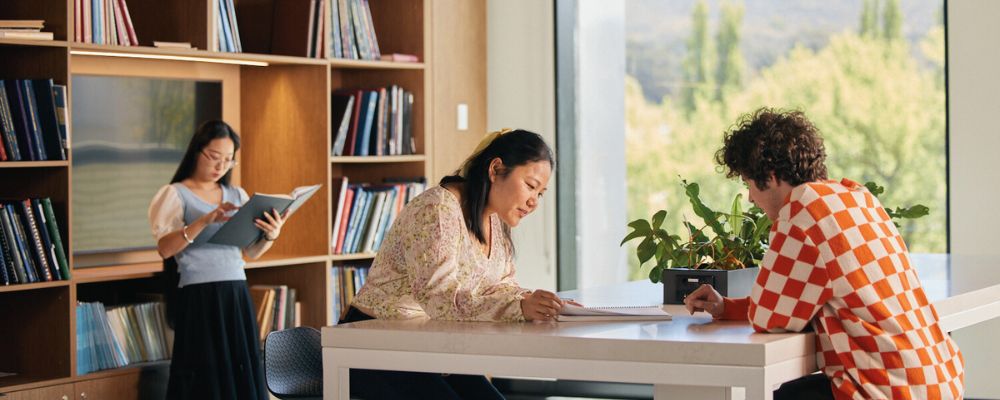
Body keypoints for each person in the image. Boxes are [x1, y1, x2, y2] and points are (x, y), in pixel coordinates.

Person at [684, 108, 964, 399]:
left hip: (889, 390)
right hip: (937, 381)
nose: (751, 198)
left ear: (770, 175)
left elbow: (771, 318)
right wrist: (728, 308)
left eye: (749, 184)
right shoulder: (858, 198)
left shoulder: (804, 209)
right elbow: (801, 300)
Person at [345, 128, 566, 399]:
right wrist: (518, 307)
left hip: (427, 345)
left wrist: (533, 302)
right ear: (496, 169)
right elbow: (439, 298)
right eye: (531, 186)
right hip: (372, 344)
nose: (534, 202)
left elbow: (501, 286)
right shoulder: (437, 208)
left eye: (540, 194)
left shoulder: (494, 218)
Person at [148, 121, 286, 399]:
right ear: (196, 151)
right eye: (214, 156)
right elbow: (165, 249)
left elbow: (251, 252)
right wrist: (205, 220)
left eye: (228, 159)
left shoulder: (238, 196)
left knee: (241, 372)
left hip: (235, 292)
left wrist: (271, 234)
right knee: (205, 375)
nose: (220, 166)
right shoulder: (174, 193)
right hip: (199, 295)